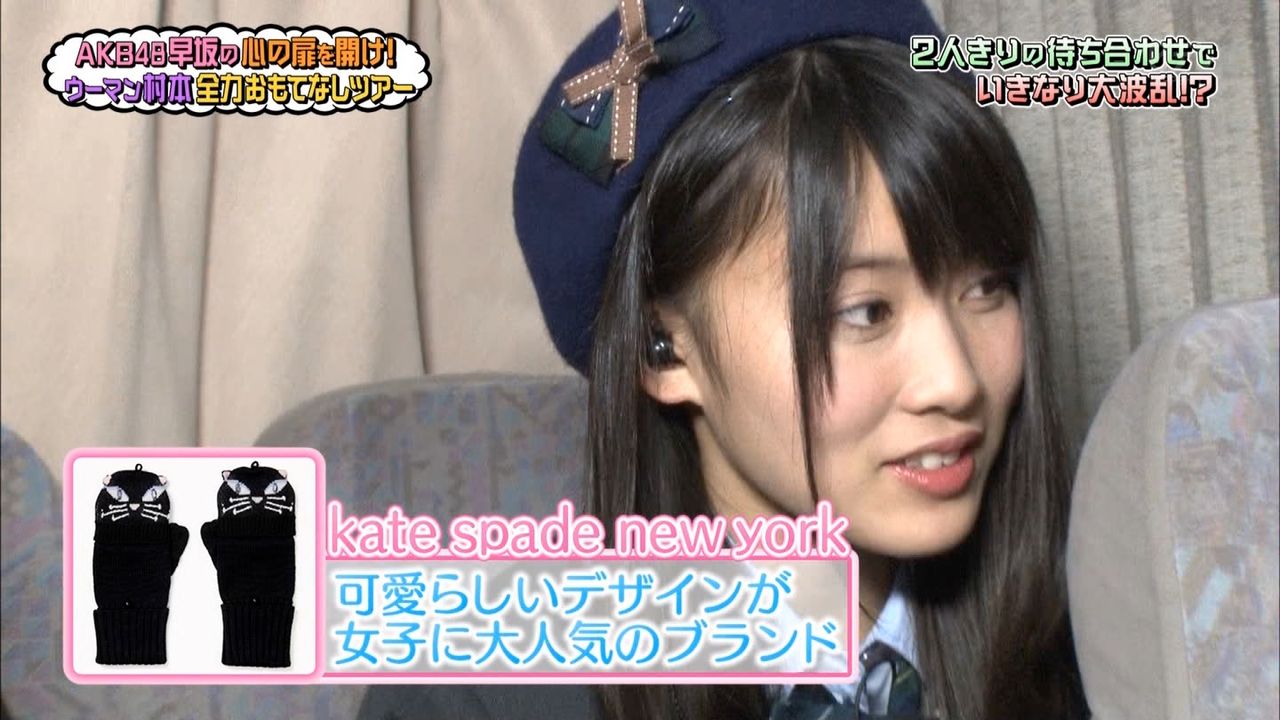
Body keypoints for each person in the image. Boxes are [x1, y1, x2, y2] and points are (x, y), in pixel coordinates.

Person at [361, 1, 1089, 718]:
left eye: (987, 288)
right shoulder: (476, 694)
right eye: (865, 312)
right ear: (664, 349)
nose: (956, 381)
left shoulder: (1105, 620)